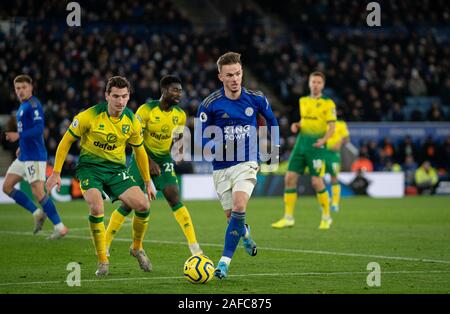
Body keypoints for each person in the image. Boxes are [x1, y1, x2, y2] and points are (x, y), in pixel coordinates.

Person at [46, 76, 156, 276]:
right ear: (107, 96)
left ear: (129, 96)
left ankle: (136, 247)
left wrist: (148, 182)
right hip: (90, 168)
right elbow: (65, 141)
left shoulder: (131, 120)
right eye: (115, 96)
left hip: (116, 170)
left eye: (124, 96)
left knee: (143, 205)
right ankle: (103, 261)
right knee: (97, 207)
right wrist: (56, 172)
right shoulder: (89, 116)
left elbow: (139, 152)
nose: (120, 101)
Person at [196, 52, 279, 279]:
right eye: (230, 75)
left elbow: (272, 121)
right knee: (232, 216)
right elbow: (201, 137)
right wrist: (211, 147)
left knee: (240, 206)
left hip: (247, 162)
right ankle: (245, 234)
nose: (235, 79)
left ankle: (223, 262)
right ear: (220, 76)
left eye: (238, 73)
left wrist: (275, 149)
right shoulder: (209, 105)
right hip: (221, 168)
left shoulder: (256, 99)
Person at [105, 75, 203, 256]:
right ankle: (106, 243)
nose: (179, 94)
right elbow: (134, 140)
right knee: (128, 204)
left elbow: (179, 135)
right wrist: (148, 161)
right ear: (164, 91)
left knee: (173, 196)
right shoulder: (146, 110)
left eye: (180, 91)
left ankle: (194, 247)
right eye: (175, 90)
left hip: (164, 159)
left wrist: (180, 149)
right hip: (141, 157)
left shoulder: (180, 115)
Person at [2, 75, 68, 239]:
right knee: (7, 187)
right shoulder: (23, 106)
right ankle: (37, 213)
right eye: (18, 88)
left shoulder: (33, 105)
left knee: (38, 192)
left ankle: (60, 227)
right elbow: (29, 131)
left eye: (24, 87)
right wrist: (21, 145)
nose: (21, 91)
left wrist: (19, 135)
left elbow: (39, 130)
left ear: (31, 87)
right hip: (24, 155)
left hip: (35, 157)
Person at [272, 71, 336, 230]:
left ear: (323, 85)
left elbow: (332, 126)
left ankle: (327, 217)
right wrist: (298, 125)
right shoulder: (303, 101)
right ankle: (288, 217)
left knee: (316, 181)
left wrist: (324, 140)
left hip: (317, 144)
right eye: (313, 82)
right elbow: (306, 120)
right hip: (301, 142)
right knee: (289, 178)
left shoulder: (329, 103)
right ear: (309, 83)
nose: (315, 85)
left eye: (318, 82)